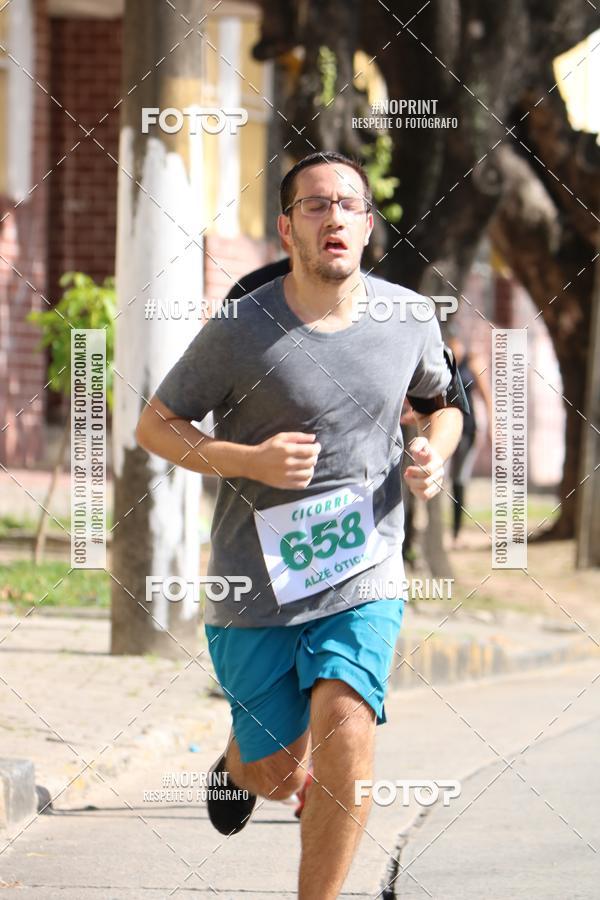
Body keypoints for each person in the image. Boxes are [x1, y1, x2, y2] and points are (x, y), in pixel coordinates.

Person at [135, 150, 467, 900]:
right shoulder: (242, 329)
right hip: (253, 587)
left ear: (368, 226)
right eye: (315, 205)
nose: (334, 216)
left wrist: (431, 456)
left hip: (365, 571)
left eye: (349, 204)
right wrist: (243, 458)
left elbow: (445, 406)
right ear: (288, 228)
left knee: (348, 719)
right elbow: (154, 425)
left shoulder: (408, 319)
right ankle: (240, 763)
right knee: (279, 769)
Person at [446, 330, 492, 548]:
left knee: (459, 480)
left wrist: (493, 427)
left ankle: (456, 533)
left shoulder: (471, 364)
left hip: (467, 430)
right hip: (443, 428)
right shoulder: (441, 362)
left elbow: (486, 396)